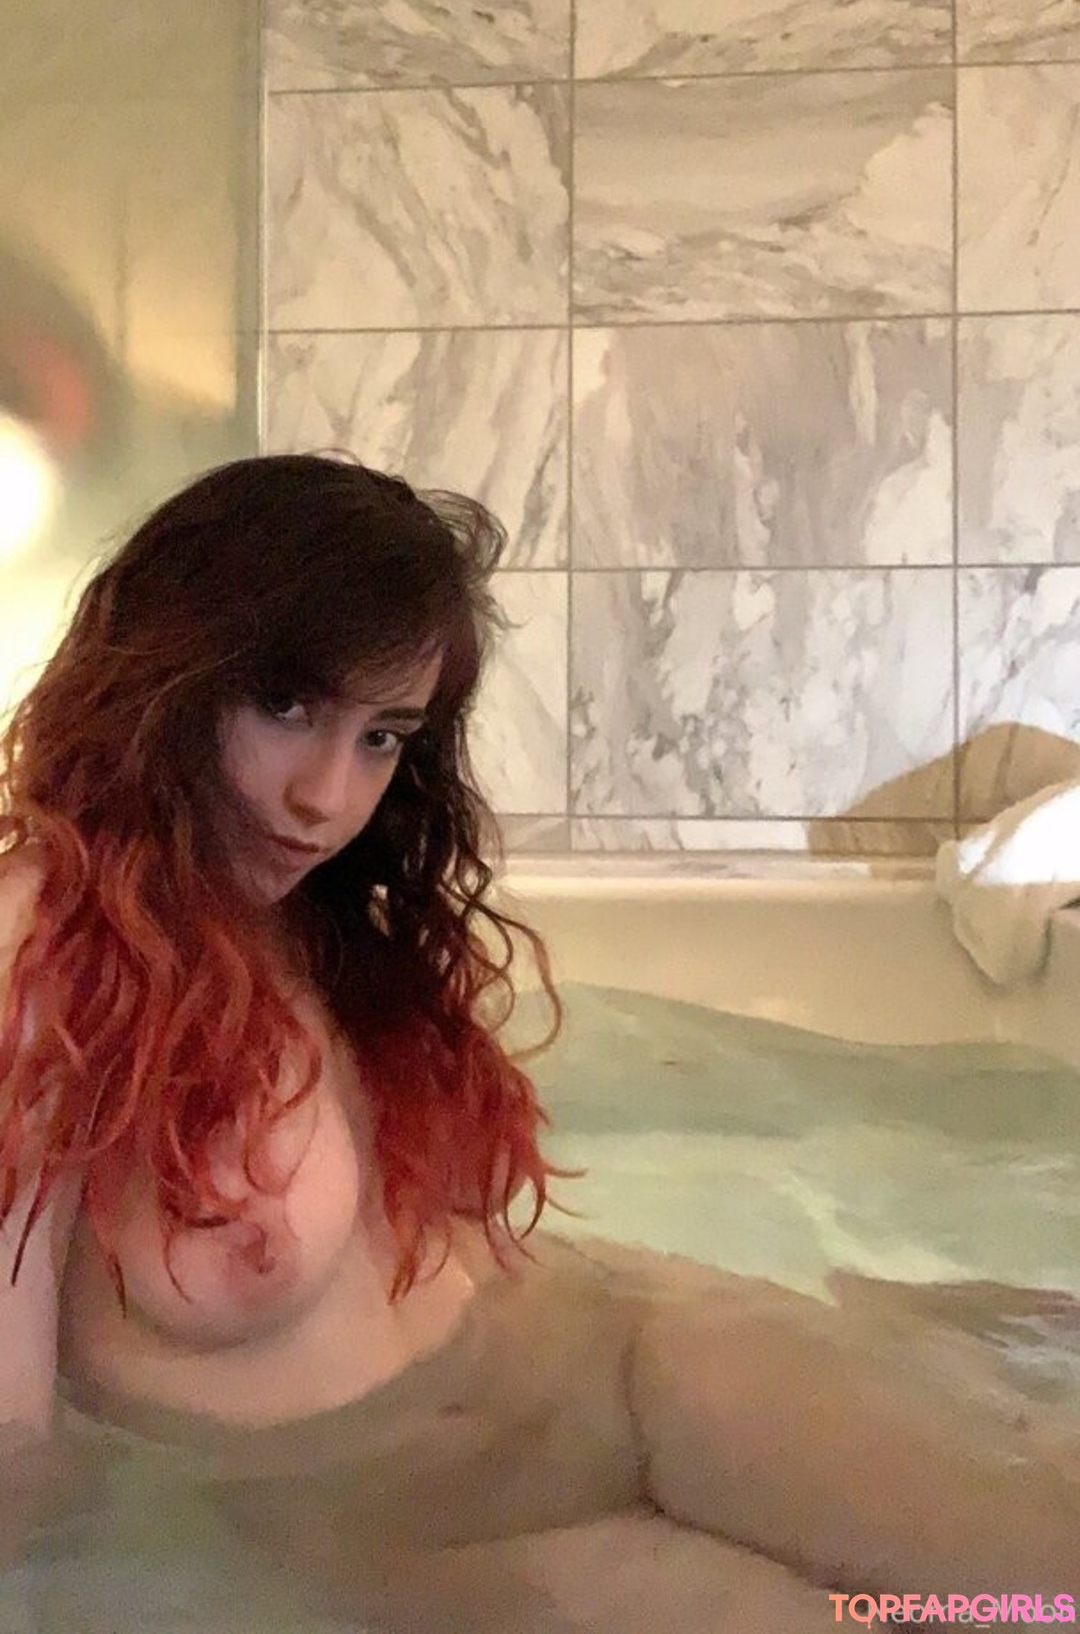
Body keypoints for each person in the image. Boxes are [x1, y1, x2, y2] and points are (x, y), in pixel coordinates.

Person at [0, 453, 1077, 1633]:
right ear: (165, 672)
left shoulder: (310, 913)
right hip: (431, 1517)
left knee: (1047, 1571)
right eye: (289, 706)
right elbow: (12, 1432)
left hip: (622, 1351)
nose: (328, 796)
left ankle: (930, 1339)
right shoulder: (37, 946)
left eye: (384, 736)